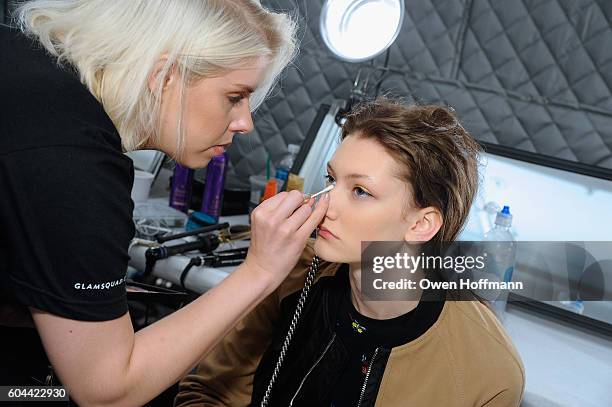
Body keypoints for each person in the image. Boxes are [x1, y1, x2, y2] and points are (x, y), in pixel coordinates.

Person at [0, 1, 331, 405]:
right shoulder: (72, 163)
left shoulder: (26, 66)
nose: (246, 122)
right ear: (163, 76)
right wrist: (259, 271)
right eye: (234, 96)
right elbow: (107, 392)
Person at [175, 98, 525, 407]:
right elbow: (208, 393)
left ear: (421, 225)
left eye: (359, 191)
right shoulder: (290, 272)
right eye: (331, 180)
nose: (325, 204)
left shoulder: (488, 371)